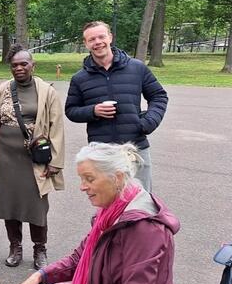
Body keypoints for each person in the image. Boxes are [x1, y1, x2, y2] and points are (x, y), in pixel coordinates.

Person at [12, 142, 187, 284]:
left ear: (118, 177)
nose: (82, 187)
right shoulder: (113, 210)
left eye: (90, 179)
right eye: (82, 179)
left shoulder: (144, 230)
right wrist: (41, 275)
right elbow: (78, 258)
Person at [0, 45, 65, 269]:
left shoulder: (47, 92)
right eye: (14, 65)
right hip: (4, 157)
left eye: (23, 64)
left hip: (34, 158)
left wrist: (55, 162)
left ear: (32, 65)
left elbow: (56, 127)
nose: (19, 68)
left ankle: (40, 249)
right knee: (10, 204)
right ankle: (15, 247)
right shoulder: (3, 89)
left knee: (37, 206)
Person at [65, 21, 168, 191]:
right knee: (108, 200)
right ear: (86, 44)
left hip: (135, 148)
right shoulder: (80, 78)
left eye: (101, 37)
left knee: (141, 200)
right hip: (101, 152)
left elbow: (159, 96)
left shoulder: (136, 68)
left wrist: (149, 122)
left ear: (110, 37)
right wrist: (93, 111)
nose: (97, 42)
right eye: (92, 39)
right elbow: (71, 110)